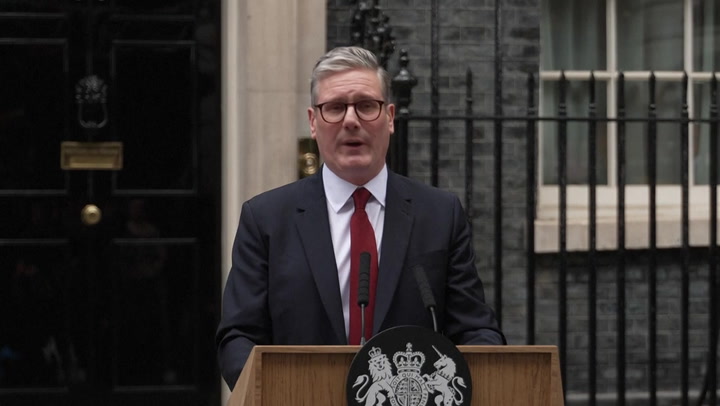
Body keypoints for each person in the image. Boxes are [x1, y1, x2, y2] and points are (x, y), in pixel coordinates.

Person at [216, 46, 505, 389]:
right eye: (335, 108)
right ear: (313, 121)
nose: (351, 120)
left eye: (366, 105)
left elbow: (476, 330)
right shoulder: (265, 218)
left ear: (390, 117)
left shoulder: (441, 215)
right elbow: (238, 337)